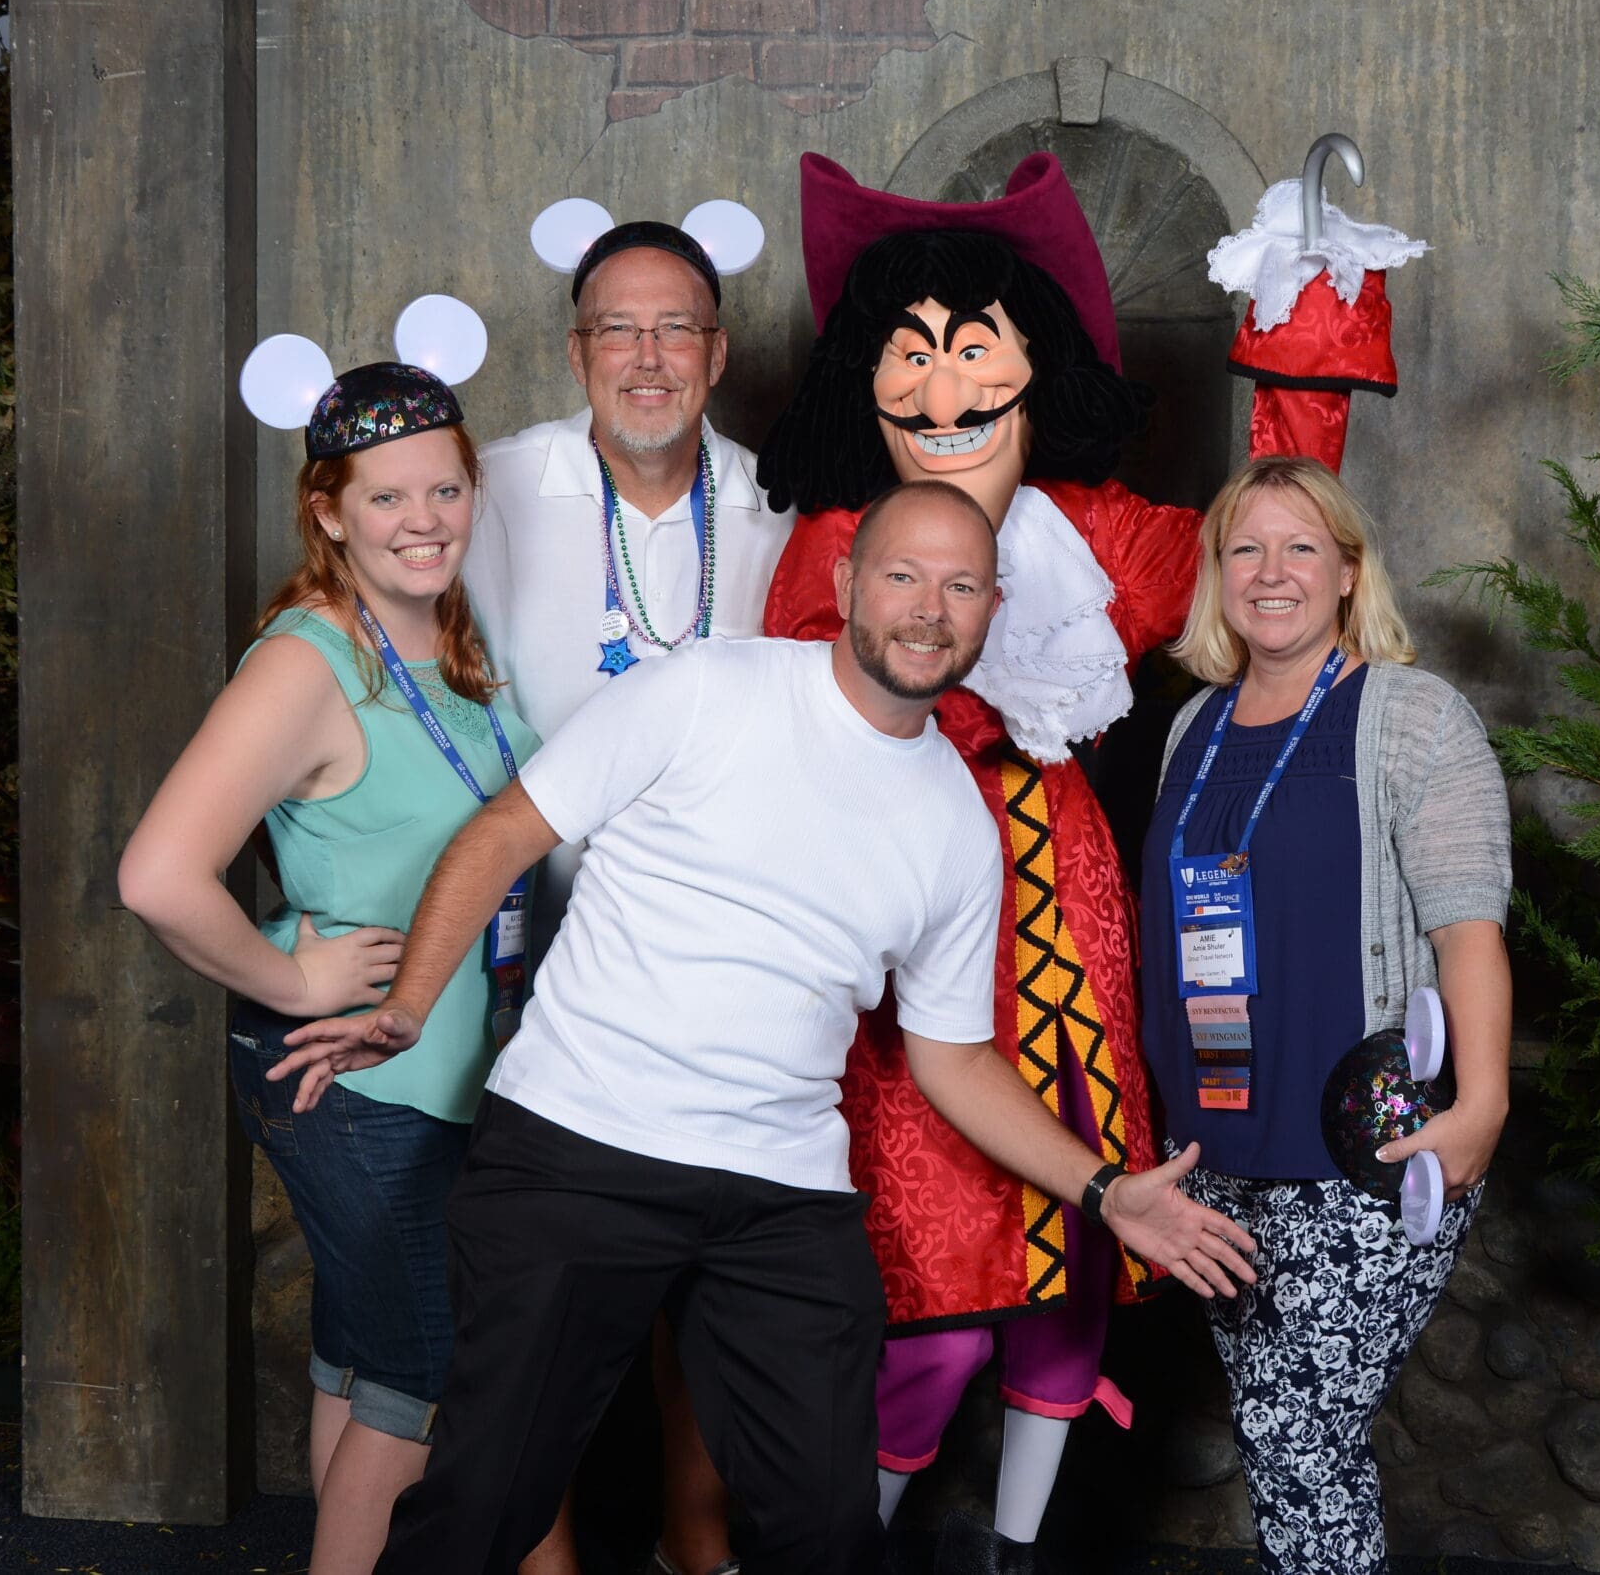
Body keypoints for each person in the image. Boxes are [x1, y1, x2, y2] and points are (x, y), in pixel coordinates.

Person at [268, 483, 1259, 1575]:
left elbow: (951, 1057)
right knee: (483, 1504)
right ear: (843, 585)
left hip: (780, 1195)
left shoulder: (957, 829)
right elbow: (507, 831)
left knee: (826, 1535)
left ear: (991, 610)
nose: (928, 608)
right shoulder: (705, 688)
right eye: (902, 575)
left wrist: (1106, 1191)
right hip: (578, 1148)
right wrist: (409, 1004)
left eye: (960, 585)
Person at [753, 152, 1199, 1572]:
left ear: (1033, 364)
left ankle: (1018, 1550)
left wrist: (1309, 332)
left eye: (972, 351)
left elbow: (1263, 535)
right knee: (937, 1289)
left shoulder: (1100, 532)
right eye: (911, 353)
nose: (944, 387)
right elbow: (803, 743)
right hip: (912, 949)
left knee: (1070, 1284)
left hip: (1075, 916)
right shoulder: (835, 544)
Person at [115, 359, 541, 1575]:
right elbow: (156, 874)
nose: (424, 522)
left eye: (445, 491)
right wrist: (292, 981)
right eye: (389, 498)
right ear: (329, 511)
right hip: (363, 1085)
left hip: (435, 1072)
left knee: (361, 1356)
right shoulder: (308, 661)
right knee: (427, 1377)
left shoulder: (440, 643)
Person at [464, 217, 795, 1575]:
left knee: (700, 1282)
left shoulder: (784, 499)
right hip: (533, 946)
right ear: (577, 349)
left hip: (723, 954)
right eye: (619, 328)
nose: (647, 357)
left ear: (717, 351)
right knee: (533, 1285)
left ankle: (695, 1542)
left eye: (675, 330)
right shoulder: (485, 488)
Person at [1140, 455, 1511, 1575]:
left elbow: (1467, 931)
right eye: (1244, 548)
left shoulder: (1409, 718)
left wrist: (1482, 1106)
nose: (1271, 572)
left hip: (1366, 1153)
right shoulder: (1192, 729)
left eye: (1300, 547)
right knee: (1295, 1453)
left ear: (1348, 571)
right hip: (1215, 1167)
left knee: (1298, 1443)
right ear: (1216, 575)